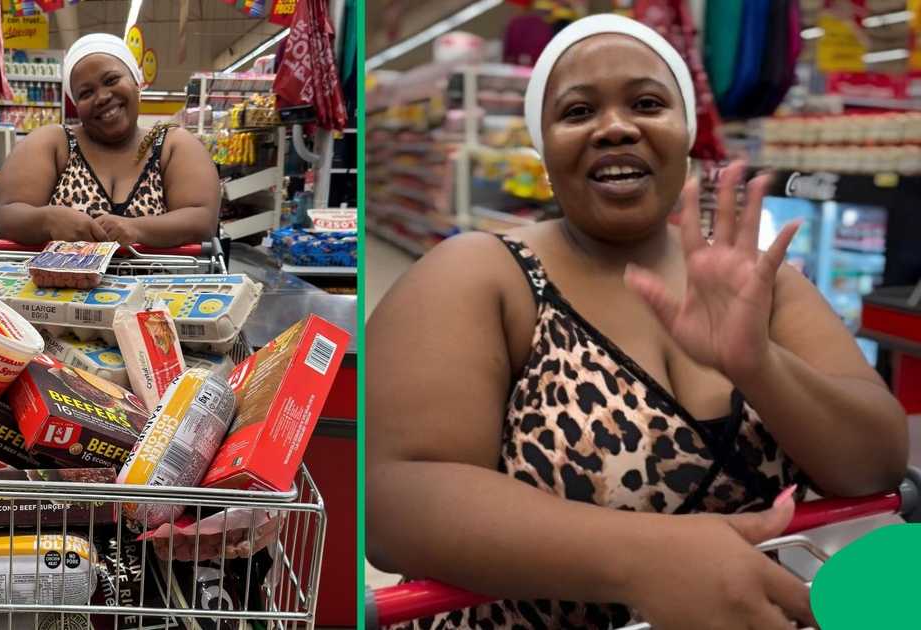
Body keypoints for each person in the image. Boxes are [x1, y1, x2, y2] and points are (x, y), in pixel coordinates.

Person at [366, 14, 907, 630]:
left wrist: (761, 365)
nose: (616, 127)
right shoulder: (481, 276)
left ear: (685, 132)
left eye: (647, 103)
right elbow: (393, 502)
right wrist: (644, 558)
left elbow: (874, 464)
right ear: (544, 148)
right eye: (576, 112)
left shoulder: (764, 286)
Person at [0, 33, 220, 247]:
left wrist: (136, 228)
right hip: (63, 287)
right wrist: (47, 220)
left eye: (111, 80)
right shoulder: (54, 143)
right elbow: (8, 218)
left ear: (136, 82)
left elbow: (202, 220)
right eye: (85, 93)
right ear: (76, 105)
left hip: (158, 288)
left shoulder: (172, 145)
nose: (102, 97)